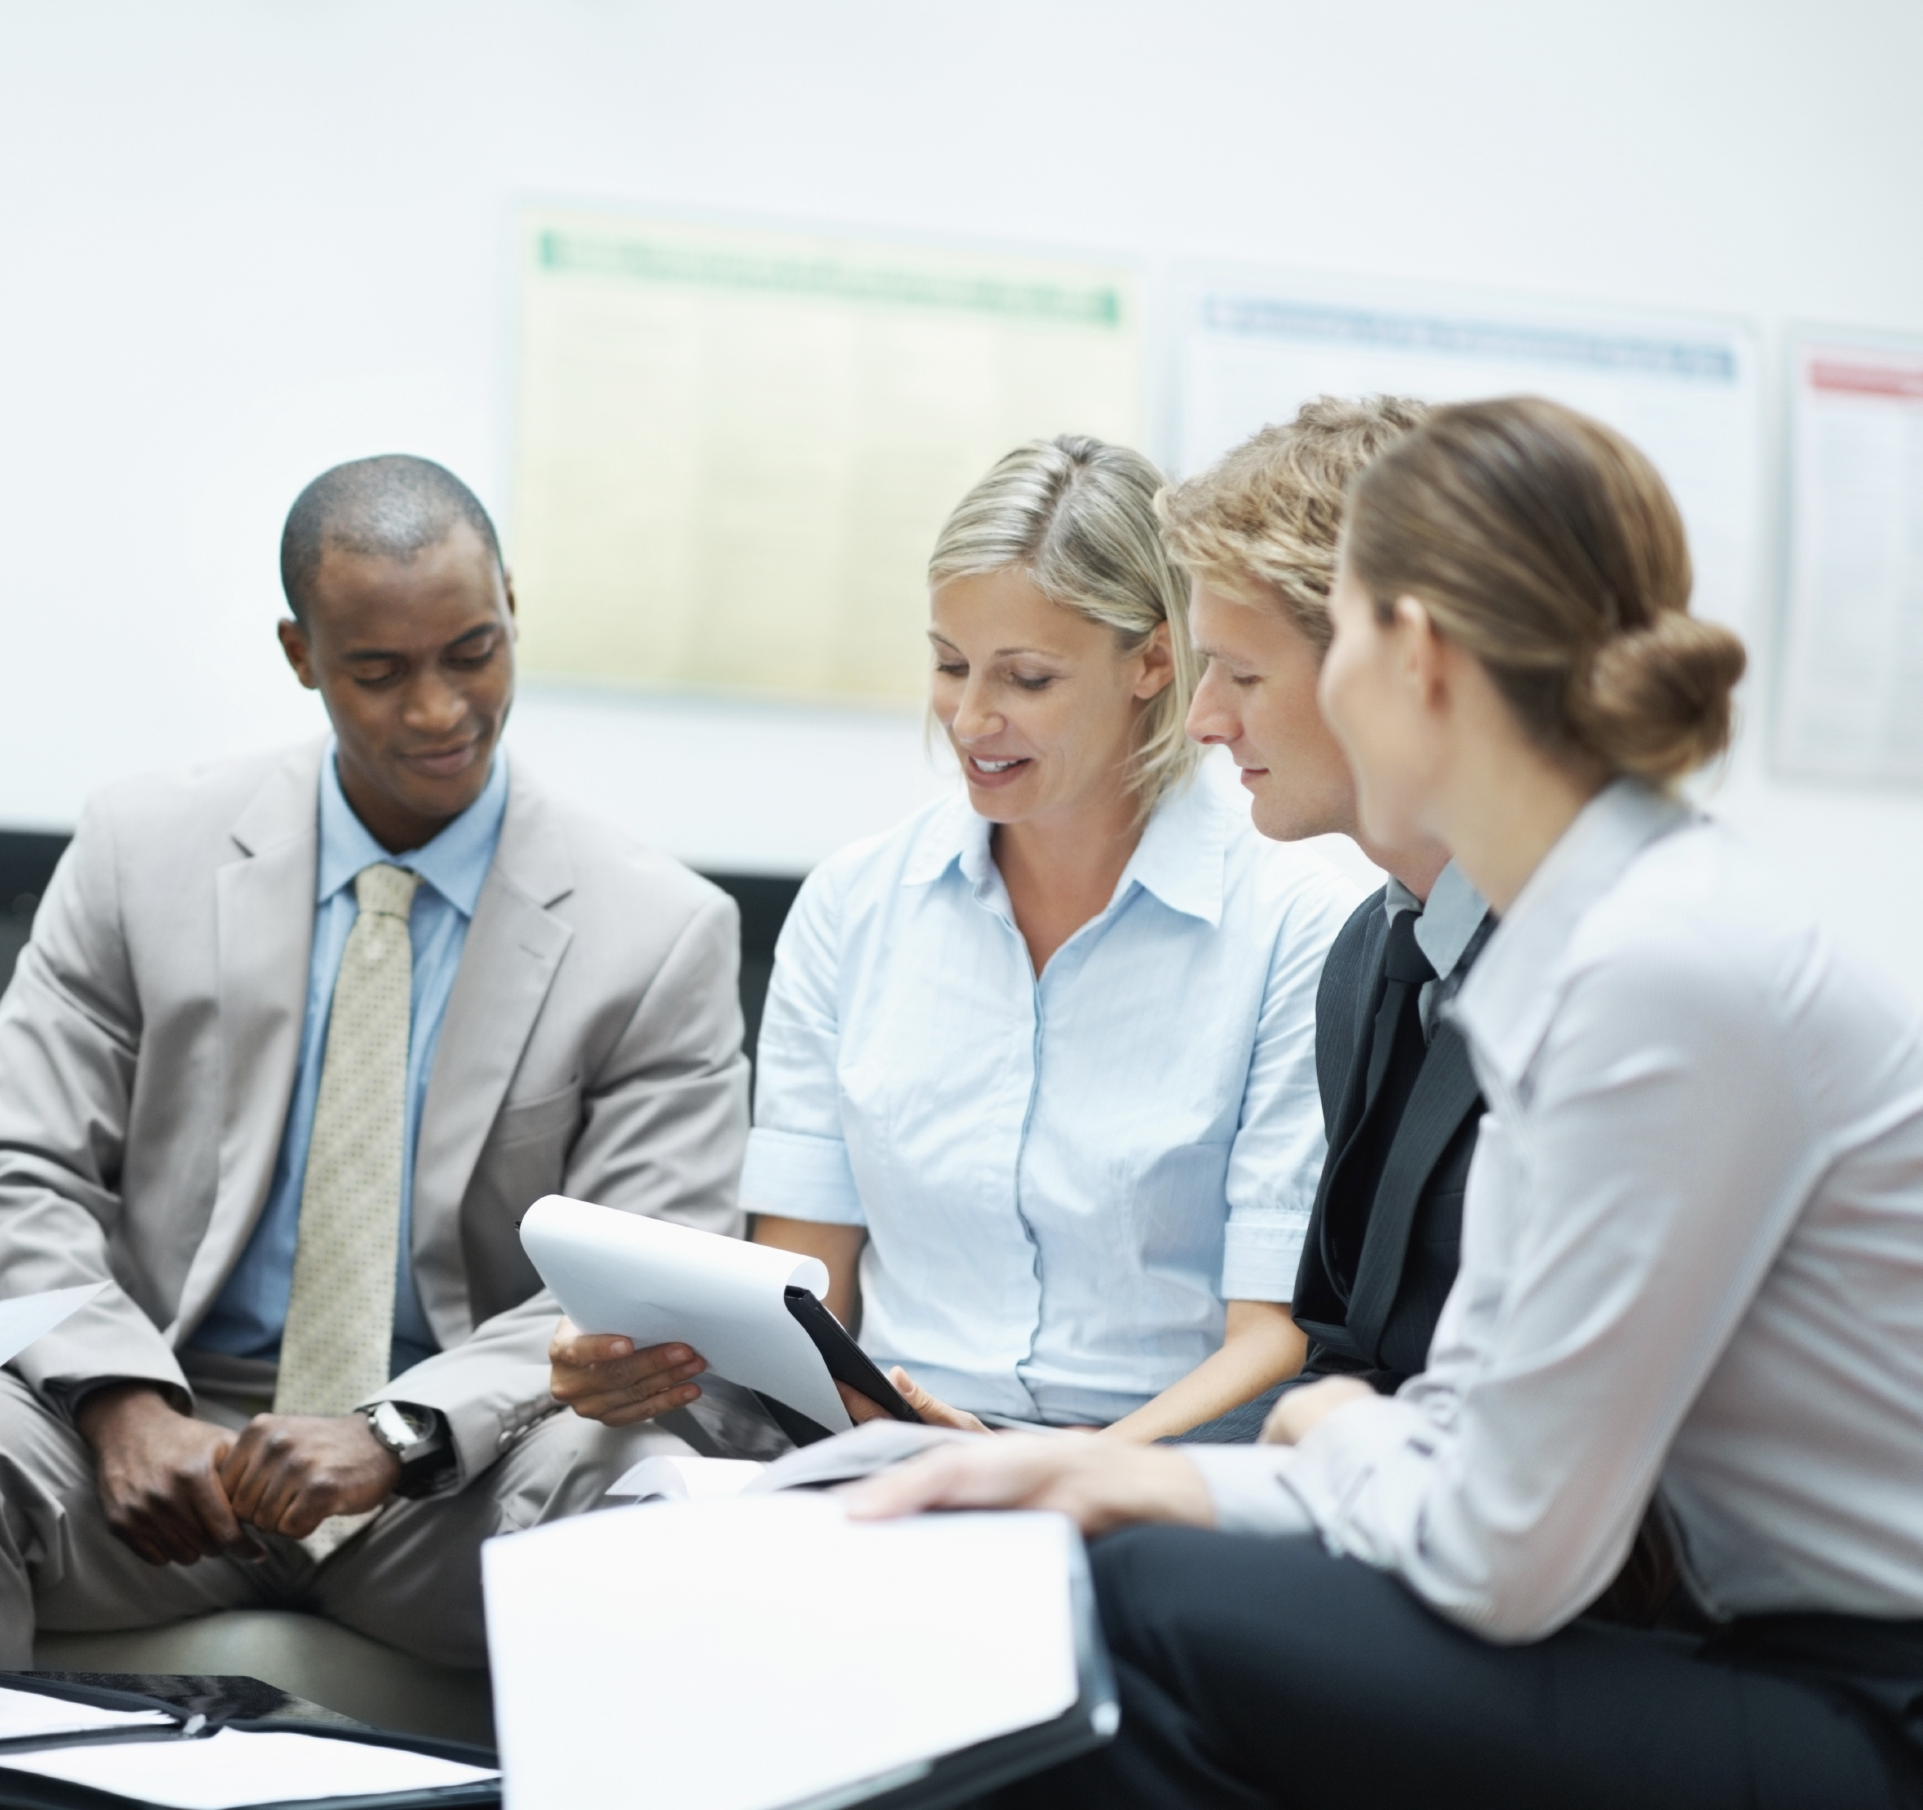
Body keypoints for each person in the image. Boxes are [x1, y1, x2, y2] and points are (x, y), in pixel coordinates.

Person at [858, 397, 1923, 1807]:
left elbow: (1500, 1548)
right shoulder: (1586, 937)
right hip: (1737, 1643)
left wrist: (1319, 1427)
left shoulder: (1657, 968)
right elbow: (1460, 1437)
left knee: (1146, 1611)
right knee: (1105, 1566)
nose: (1206, 714)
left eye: (1323, 637)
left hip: (1854, 1697)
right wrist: (1106, 1477)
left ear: (1413, 655)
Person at [0, 455, 750, 1672]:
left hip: (464, 1465)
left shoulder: (657, 931)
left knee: (645, 1487)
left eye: (471, 653)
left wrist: (402, 1431)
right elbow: (14, 1162)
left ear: (512, 609)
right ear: (299, 652)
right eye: (378, 671)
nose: (437, 710)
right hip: (176, 1441)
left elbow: (636, 1286)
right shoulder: (139, 850)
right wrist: (119, 1401)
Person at [552, 436, 1361, 1445]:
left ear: (1154, 659)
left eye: (1025, 678)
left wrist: (1060, 1473)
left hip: (1153, 1471)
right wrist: (668, 1364)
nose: (970, 717)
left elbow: (1269, 1336)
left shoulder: (1297, 927)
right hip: (885, 1443)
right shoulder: (854, 905)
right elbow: (805, 1293)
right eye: (947, 664)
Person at [1162, 395, 1492, 1444]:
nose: (1204, 720)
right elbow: (1345, 1351)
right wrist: (1070, 1472)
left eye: (1243, 673)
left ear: (1399, 666)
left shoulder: (1597, 969)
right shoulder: (1369, 956)